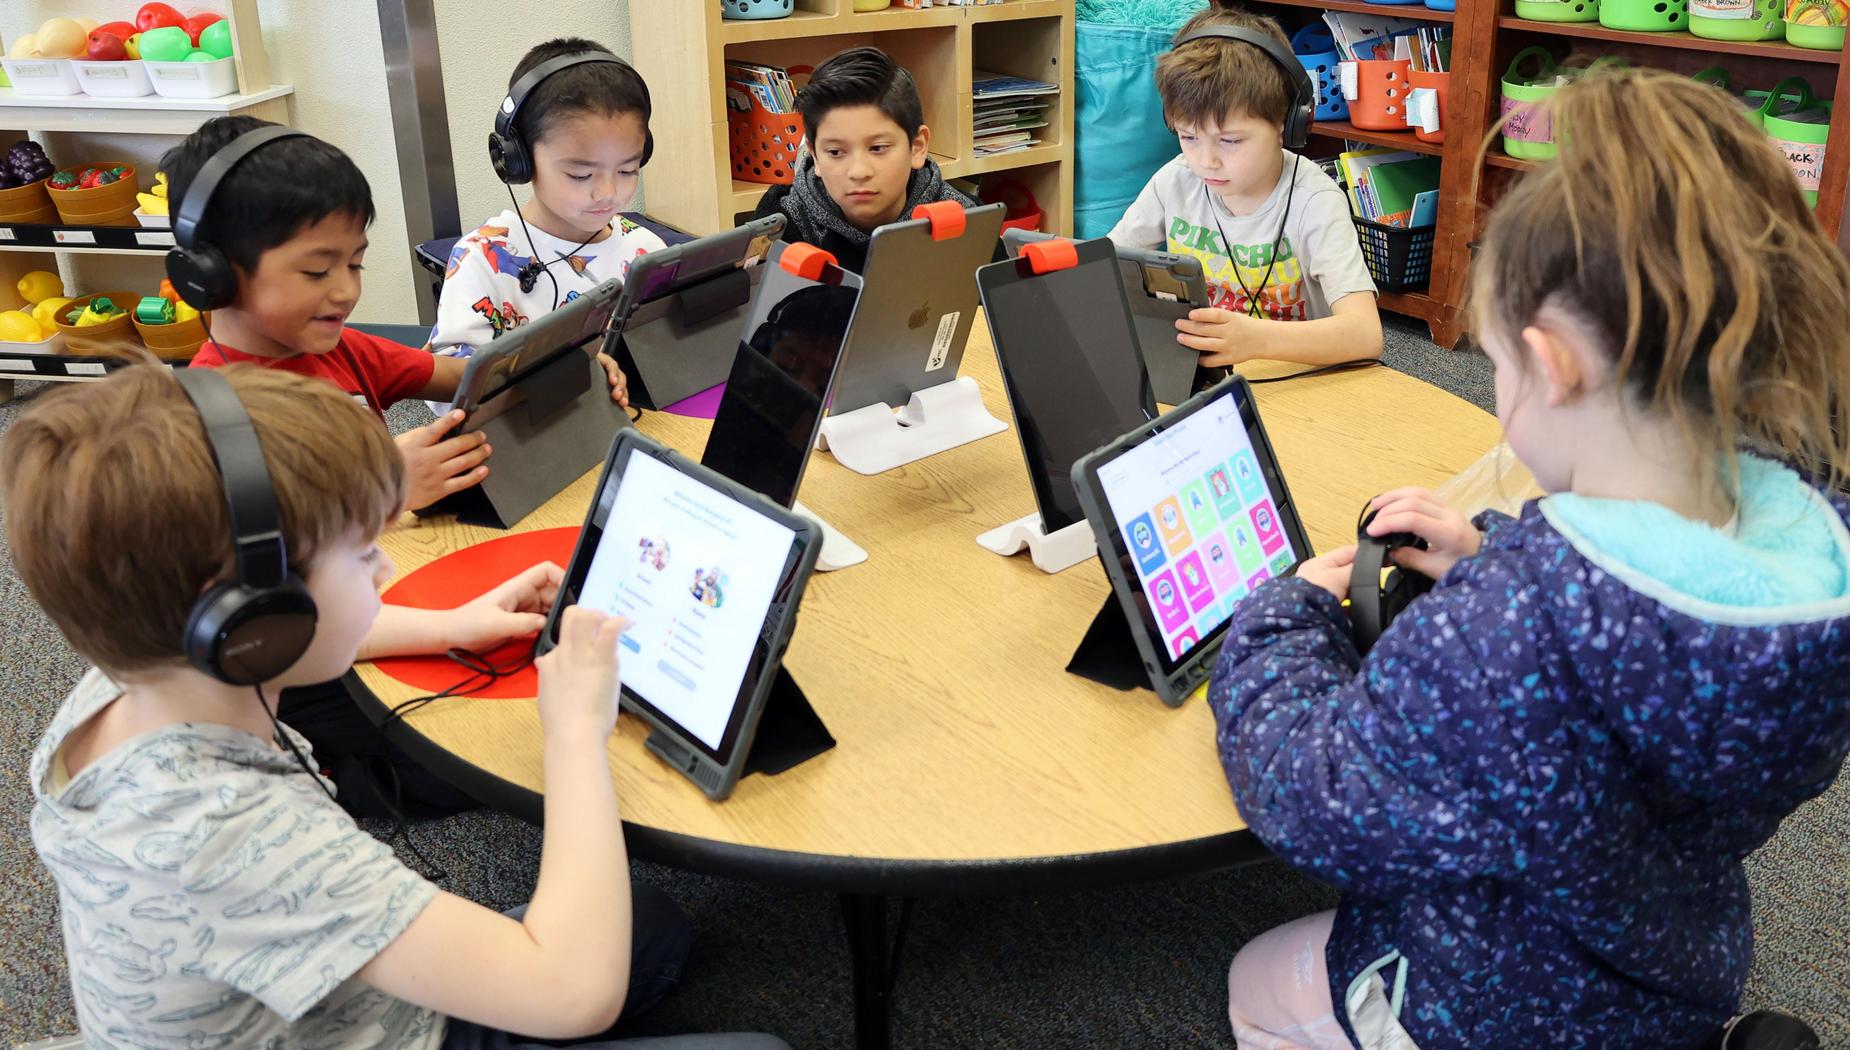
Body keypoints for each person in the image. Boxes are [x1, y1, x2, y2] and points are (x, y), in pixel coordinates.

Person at [1208, 70, 1850, 1048]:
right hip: (1672, 967)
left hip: (1490, 999)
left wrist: (1278, 622)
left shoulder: (1502, 632)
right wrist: (1492, 555)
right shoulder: (1813, 568)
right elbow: (1630, 626)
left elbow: (1316, 801)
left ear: (1550, 366)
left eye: (1496, 364)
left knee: (1256, 978)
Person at [5, 363, 787, 1050]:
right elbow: (576, 994)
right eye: (362, 553)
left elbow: (315, 628)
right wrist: (574, 735)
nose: (383, 571)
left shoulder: (138, 669)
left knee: (649, 925)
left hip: (315, 996)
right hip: (378, 1033)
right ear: (257, 619)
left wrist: (452, 624)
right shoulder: (234, 836)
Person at [164, 115, 629, 514]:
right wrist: (380, 486)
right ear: (212, 274)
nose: (346, 292)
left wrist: (573, 360)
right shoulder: (204, 418)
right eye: (316, 271)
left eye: (355, 265)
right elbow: (234, 542)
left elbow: (474, 375)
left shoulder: (345, 350)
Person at [1110, 3, 1381, 368]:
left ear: (1288, 124)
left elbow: (1365, 335)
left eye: (1230, 141)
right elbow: (1105, 266)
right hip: (1205, 371)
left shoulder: (1315, 200)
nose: (1206, 161)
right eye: (1188, 137)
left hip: (1298, 377)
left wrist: (1256, 340)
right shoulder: (1176, 180)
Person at [430, 37, 665, 364]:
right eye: (581, 175)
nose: (608, 193)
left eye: (627, 170)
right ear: (519, 160)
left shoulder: (646, 251)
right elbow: (452, 383)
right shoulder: (481, 260)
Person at [752, 46, 1002, 274]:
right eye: (836, 152)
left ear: (917, 147)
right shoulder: (782, 226)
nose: (859, 172)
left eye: (878, 148)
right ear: (815, 156)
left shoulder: (968, 220)